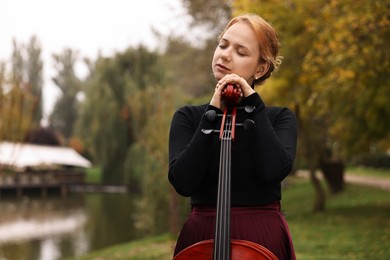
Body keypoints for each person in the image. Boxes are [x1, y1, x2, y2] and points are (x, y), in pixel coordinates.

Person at [168, 13, 297, 259]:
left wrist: (254, 104)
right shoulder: (189, 117)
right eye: (223, 44)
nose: (225, 54)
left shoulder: (279, 118)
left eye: (241, 51)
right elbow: (183, 182)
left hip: (262, 236)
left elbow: (274, 170)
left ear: (261, 68)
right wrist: (212, 113)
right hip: (201, 236)